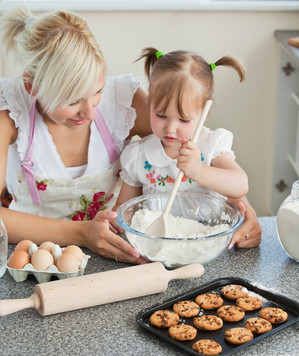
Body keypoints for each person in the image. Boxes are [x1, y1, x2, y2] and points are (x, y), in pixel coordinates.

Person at [0, 7, 260, 267]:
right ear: (30, 86)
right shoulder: (9, 110)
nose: (90, 112)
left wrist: (241, 206)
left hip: (115, 253)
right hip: (33, 256)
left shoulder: (123, 101)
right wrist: (82, 234)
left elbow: (190, 146)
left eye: (96, 91)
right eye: (72, 100)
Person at [111, 48, 261, 249]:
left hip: (210, 246)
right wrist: (113, 223)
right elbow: (125, 207)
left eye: (184, 119)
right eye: (161, 115)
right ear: (150, 104)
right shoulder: (139, 156)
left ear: (203, 113)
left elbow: (240, 185)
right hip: (157, 251)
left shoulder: (210, 146)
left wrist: (199, 171)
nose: (170, 128)